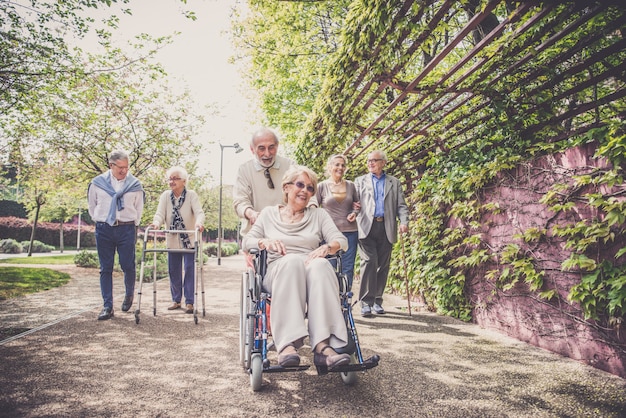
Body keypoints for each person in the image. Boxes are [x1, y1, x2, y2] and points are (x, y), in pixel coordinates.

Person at [242, 165, 350, 370]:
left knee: (320, 266)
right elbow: (248, 241)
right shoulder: (268, 214)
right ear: (286, 187)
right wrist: (264, 242)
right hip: (278, 269)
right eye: (300, 185)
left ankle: (323, 347)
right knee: (291, 262)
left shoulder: (318, 215)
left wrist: (327, 248)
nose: (305, 191)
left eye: (310, 188)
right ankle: (287, 345)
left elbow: (341, 241)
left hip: (309, 267)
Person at [88, 150, 144, 321]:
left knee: (128, 265)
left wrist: (130, 223)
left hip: (126, 229)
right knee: (105, 268)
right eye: (120, 167)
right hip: (104, 228)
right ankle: (107, 306)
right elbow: (92, 206)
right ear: (111, 165)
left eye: (126, 167)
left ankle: (129, 295)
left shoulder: (135, 185)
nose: (124, 171)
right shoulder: (97, 183)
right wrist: (103, 220)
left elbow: (139, 208)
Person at [354, 150, 409, 317]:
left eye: (374, 160)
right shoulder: (360, 181)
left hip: (386, 226)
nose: (370, 163)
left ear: (383, 163)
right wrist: (352, 212)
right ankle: (365, 302)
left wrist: (404, 221)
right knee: (369, 261)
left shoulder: (394, 182)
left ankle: (377, 300)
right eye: (368, 161)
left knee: (383, 265)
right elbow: (353, 203)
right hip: (366, 226)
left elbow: (401, 205)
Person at [149, 166, 205, 314]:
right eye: (170, 179)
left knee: (189, 269)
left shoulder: (191, 195)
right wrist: (156, 223)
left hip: (189, 239)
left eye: (175, 178)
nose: (172, 181)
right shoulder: (165, 196)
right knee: (173, 270)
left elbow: (199, 212)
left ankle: (189, 302)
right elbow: (160, 213)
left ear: (184, 181)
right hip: (172, 239)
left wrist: (199, 223)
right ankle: (176, 300)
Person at [316, 154, 360, 288]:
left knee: (347, 268)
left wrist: (354, 213)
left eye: (343, 165)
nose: (340, 167)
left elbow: (357, 205)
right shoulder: (321, 186)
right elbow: (313, 209)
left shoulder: (351, 186)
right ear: (329, 167)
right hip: (329, 234)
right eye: (337, 164)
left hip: (350, 233)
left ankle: (345, 303)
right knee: (329, 267)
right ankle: (330, 302)